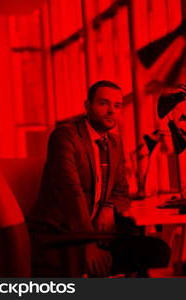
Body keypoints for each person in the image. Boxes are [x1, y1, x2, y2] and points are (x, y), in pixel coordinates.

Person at [28, 80, 170, 277]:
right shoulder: (65, 136)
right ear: (87, 106)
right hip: (62, 235)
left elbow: (121, 191)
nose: (111, 111)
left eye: (117, 105)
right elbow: (71, 194)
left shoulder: (114, 142)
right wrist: (88, 244)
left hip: (95, 231)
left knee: (157, 250)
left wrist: (109, 206)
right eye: (104, 103)